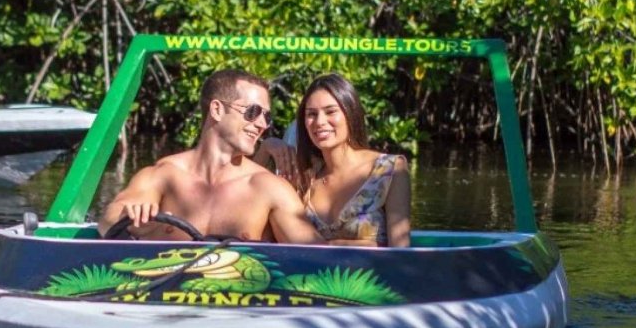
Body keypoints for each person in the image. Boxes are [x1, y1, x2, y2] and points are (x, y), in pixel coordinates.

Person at [99, 69, 323, 243]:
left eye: (266, 116)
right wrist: (132, 213)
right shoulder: (164, 175)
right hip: (165, 295)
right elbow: (108, 220)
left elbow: (312, 252)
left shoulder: (269, 188)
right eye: (252, 112)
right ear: (216, 110)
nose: (262, 124)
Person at [278, 73, 411, 247]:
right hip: (311, 273)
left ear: (350, 113)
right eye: (311, 114)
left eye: (330, 111)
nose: (320, 122)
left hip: (374, 273)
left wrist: (332, 245)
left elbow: (401, 251)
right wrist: (267, 148)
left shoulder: (389, 170)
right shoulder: (304, 178)